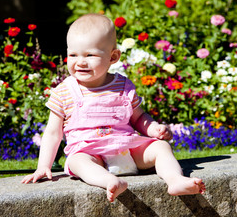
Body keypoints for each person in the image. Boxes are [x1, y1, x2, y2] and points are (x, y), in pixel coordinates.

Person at [21, 13, 206, 202]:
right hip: (90, 152)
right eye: (73, 55)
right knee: (78, 162)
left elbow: (138, 118)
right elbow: (53, 133)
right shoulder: (64, 92)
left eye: (90, 55)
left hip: (127, 147)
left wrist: (153, 128)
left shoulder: (123, 86)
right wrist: (44, 165)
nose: (80, 61)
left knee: (161, 147)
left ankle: (175, 179)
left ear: (113, 57)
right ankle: (109, 181)